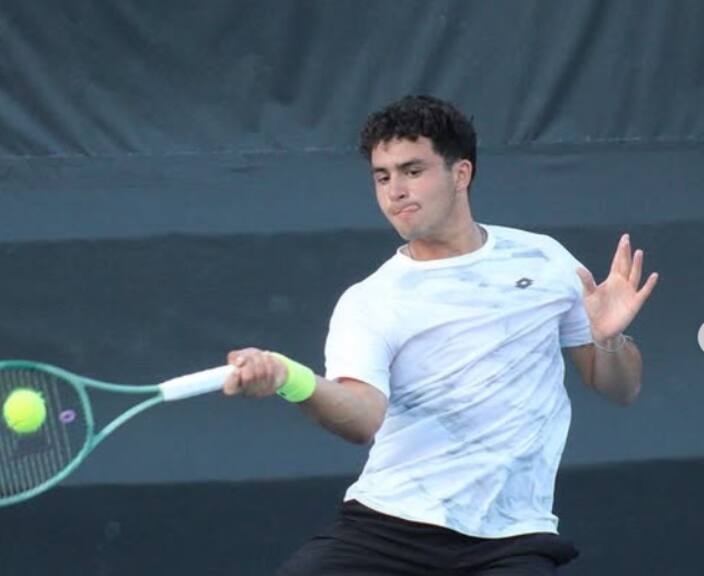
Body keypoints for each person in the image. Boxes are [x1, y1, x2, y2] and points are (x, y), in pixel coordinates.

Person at [222, 95, 658, 575]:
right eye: (382, 176)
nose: (395, 191)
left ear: (461, 174)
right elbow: (362, 418)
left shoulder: (545, 260)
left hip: (512, 539)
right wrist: (290, 377)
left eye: (412, 170)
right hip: (387, 529)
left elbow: (620, 387)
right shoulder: (370, 300)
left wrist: (608, 338)